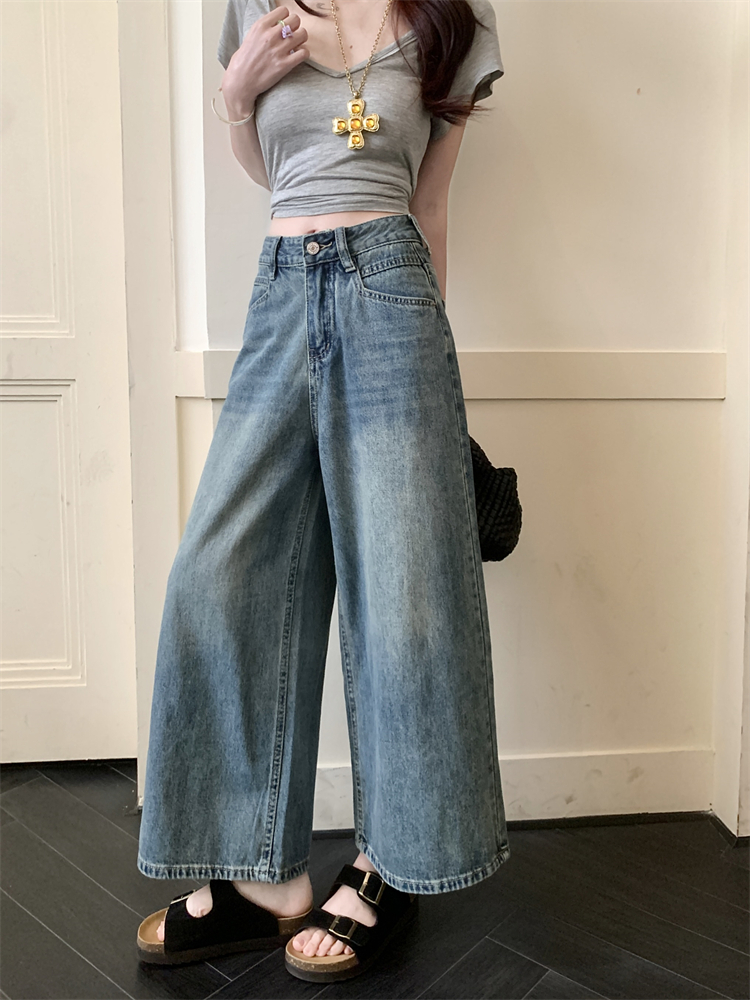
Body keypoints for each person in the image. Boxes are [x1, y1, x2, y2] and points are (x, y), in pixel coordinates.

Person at [135, 0, 511, 982]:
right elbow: (274, 164)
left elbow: (432, 204)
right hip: (279, 289)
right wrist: (235, 95)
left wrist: (427, 371)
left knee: (406, 596)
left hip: (392, 291)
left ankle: (392, 864)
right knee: (218, 574)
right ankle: (262, 876)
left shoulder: (449, 20)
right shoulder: (256, 10)